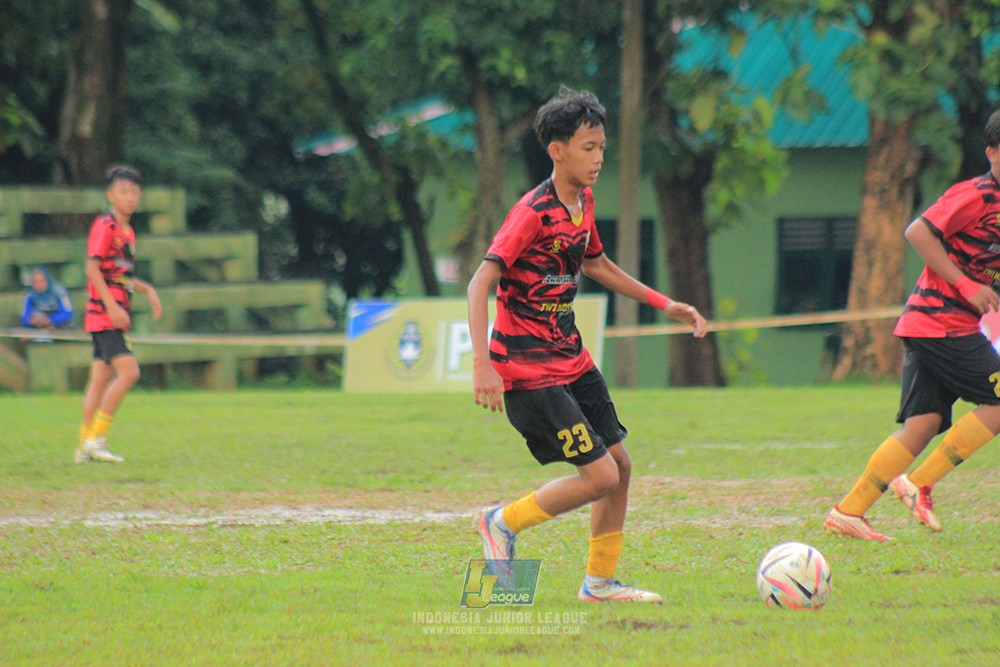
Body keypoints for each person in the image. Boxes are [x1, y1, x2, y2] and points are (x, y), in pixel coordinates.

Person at [467, 87, 707, 602]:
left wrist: (665, 303)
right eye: (588, 148)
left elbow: (594, 262)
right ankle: (502, 522)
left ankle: (599, 583)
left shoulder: (585, 201)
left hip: (571, 358)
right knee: (598, 475)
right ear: (557, 150)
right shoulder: (532, 212)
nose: (598, 158)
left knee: (619, 468)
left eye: (602, 147)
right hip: (529, 368)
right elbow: (479, 283)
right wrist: (482, 364)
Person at [824, 110, 1000, 541]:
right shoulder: (977, 195)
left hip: (928, 325)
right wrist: (965, 284)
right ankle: (919, 483)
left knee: (921, 424)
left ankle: (848, 512)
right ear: (992, 153)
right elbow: (917, 231)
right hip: (942, 321)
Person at [76, 165, 162, 464]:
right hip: (104, 314)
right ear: (110, 194)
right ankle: (97, 440)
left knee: (100, 378)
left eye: (135, 192)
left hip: (108, 314)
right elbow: (92, 268)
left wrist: (146, 289)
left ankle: (83, 444)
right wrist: (112, 307)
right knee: (129, 372)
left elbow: (121, 276)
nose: (130, 197)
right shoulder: (107, 226)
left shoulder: (128, 232)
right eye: (124, 191)